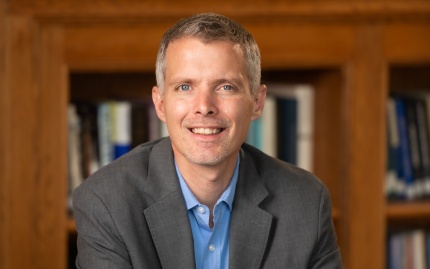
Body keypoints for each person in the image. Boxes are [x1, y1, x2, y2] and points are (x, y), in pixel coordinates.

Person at [73, 13, 343, 269]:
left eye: (226, 87)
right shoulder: (106, 202)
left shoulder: (306, 202)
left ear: (257, 102)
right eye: (185, 87)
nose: (204, 107)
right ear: (160, 103)